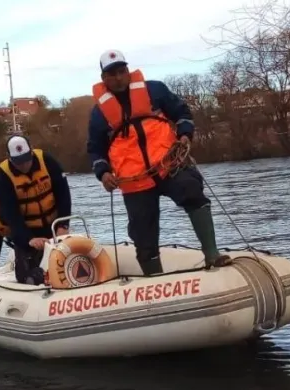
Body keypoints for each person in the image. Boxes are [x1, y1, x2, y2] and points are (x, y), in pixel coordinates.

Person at [86, 49, 232, 276]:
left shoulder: (155, 90)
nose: (118, 77)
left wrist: (185, 134)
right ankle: (154, 280)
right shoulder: (99, 114)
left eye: (122, 71)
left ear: (128, 70)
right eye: (112, 73)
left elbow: (181, 112)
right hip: (133, 180)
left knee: (191, 189)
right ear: (104, 79)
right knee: (142, 234)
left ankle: (212, 254)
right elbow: (96, 149)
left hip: (169, 164)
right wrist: (103, 173)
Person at [0, 135, 72, 284]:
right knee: (26, 276)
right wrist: (29, 239)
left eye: (26, 159)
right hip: (27, 231)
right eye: (19, 162)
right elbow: (11, 214)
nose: (24, 165)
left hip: (54, 226)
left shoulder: (47, 161)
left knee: (66, 263)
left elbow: (64, 195)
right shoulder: (3, 177)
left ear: (31, 151)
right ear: (9, 158)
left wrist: (63, 225)